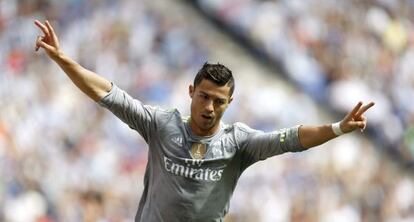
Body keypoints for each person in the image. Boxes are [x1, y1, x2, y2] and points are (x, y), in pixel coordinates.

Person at [34, 20, 374, 222]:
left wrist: (337, 128)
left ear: (230, 104)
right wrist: (63, 59)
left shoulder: (239, 143)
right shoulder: (160, 124)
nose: (210, 107)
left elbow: (291, 138)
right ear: (191, 91)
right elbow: (108, 93)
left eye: (219, 101)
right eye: (204, 97)